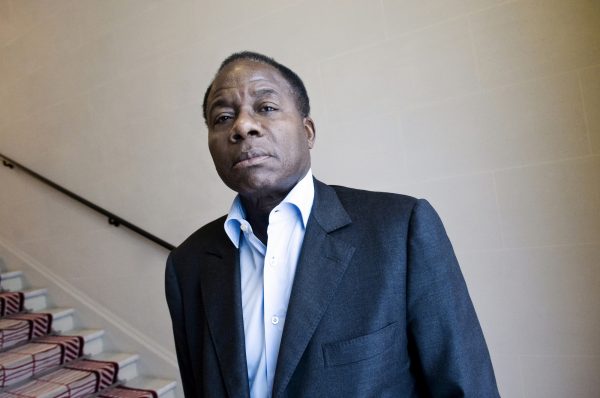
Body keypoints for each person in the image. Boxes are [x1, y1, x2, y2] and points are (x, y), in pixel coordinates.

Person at [165, 51, 500, 398]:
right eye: (222, 117)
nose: (242, 126)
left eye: (265, 108)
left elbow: (466, 387)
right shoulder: (187, 265)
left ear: (307, 131)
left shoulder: (400, 230)